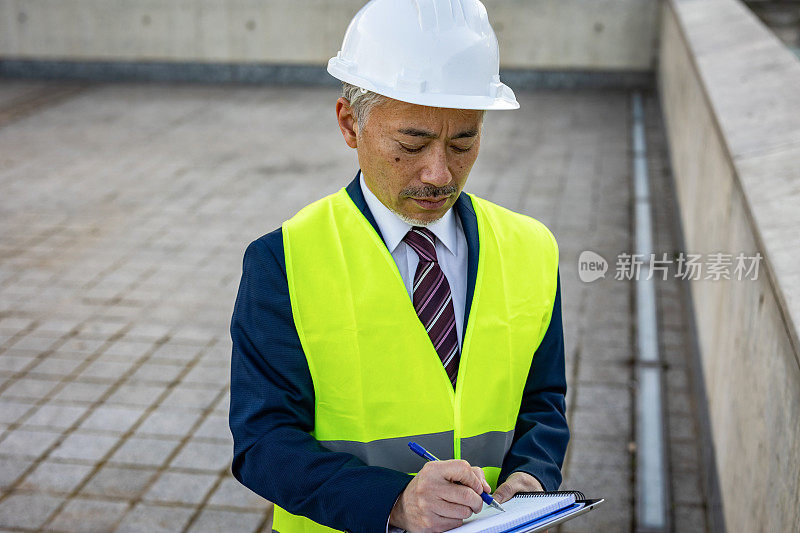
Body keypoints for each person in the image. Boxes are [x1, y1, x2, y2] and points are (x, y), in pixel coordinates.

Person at [229, 1, 569, 531]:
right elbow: (263, 442)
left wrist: (535, 474)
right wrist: (393, 502)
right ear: (350, 123)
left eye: (464, 142)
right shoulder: (284, 261)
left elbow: (543, 399)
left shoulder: (531, 248)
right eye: (411, 143)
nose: (438, 174)